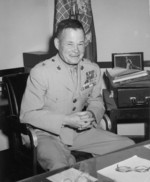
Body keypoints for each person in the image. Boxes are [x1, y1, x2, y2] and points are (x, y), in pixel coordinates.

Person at [20, 19, 134, 171]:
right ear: (57, 43)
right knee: (61, 168)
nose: (76, 50)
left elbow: (96, 100)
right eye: (70, 44)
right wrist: (66, 120)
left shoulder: (91, 69)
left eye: (80, 44)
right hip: (46, 135)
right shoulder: (41, 72)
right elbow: (27, 114)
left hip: (79, 132)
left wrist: (92, 114)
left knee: (128, 147)